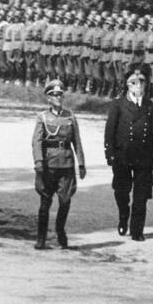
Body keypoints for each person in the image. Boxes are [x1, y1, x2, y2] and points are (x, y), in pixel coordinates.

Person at [104, 64, 153, 242]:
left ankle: (137, 230)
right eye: (133, 82)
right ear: (127, 84)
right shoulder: (118, 104)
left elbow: (152, 134)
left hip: (143, 157)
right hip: (122, 156)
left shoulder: (150, 106)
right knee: (121, 191)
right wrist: (110, 153)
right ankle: (123, 216)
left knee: (141, 195)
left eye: (141, 81)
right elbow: (110, 130)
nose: (138, 85)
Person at [32, 78, 86, 249]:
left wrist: (81, 164)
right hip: (48, 165)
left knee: (65, 201)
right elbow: (36, 142)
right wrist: (39, 162)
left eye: (60, 95)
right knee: (45, 203)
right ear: (48, 98)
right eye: (54, 95)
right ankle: (41, 238)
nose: (58, 98)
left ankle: (60, 230)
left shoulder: (70, 116)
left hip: (66, 165)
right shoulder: (42, 117)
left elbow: (77, 142)